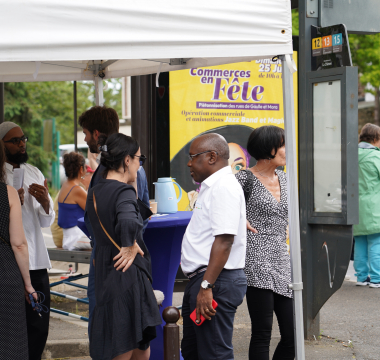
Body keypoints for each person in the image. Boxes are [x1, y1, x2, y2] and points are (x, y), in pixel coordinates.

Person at [86, 133, 161, 360]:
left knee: (116, 340)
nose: (140, 164)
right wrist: (129, 245)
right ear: (127, 160)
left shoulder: (96, 190)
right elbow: (128, 219)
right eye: (140, 159)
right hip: (127, 276)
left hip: (105, 271)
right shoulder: (123, 191)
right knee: (129, 342)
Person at [78, 105, 151, 337]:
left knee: (117, 332)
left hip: (116, 259)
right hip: (108, 254)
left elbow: (135, 214)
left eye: (86, 133)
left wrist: (129, 243)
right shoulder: (111, 167)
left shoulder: (128, 167)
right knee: (119, 330)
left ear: (97, 134)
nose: (85, 137)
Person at [181, 133, 247, 360]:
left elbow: (225, 241)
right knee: (193, 352)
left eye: (193, 157)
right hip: (204, 281)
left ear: (211, 157)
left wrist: (207, 286)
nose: (189, 163)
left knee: (214, 355)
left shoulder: (224, 187)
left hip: (215, 281)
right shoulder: (212, 186)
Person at [235, 126, 294, 360]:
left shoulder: (285, 178)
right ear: (268, 148)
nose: (286, 150)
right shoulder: (243, 178)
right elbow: (222, 212)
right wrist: (239, 220)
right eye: (282, 145)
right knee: (262, 332)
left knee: (292, 335)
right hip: (256, 258)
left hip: (281, 257)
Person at [0, 121, 55, 360]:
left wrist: (45, 203)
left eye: (23, 139)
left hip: (36, 262)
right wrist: (11, 202)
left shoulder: (34, 171)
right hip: (10, 265)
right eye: (14, 141)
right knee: (12, 328)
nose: (21, 144)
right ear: (1, 145)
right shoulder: (0, 174)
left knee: (39, 325)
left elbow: (46, 222)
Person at [0, 140, 38, 360]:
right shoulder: (9, 193)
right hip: (6, 274)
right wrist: (28, 284)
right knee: (10, 342)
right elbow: (19, 244)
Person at [353, 123, 380, 288]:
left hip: (356, 206)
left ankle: (361, 277)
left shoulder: (351, 155)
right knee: (376, 242)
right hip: (374, 206)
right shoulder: (376, 157)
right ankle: (377, 278)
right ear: (376, 138)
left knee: (360, 243)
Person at [51, 165, 94, 248]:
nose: (92, 180)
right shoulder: (77, 188)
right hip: (66, 236)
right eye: (91, 176)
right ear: (83, 174)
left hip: (61, 234)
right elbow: (94, 211)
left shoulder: (66, 185)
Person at [58, 152, 91, 250]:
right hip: (77, 238)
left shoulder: (65, 185)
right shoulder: (76, 190)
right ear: (81, 169)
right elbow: (95, 211)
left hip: (68, 237)